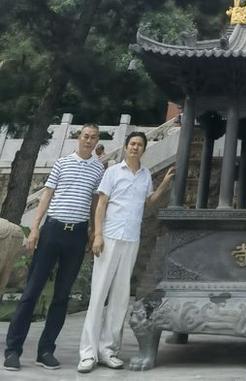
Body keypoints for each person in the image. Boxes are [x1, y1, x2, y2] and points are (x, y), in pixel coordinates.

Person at [3, 123, 104, 372]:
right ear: (78, 138)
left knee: (61, 296)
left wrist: (93, 232)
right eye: (85, 136)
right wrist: (35, 228)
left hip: (77, 234)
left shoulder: (98, 169)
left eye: (93, 138)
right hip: (52, 231)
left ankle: (46, 350)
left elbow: (94, 204)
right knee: (31, 292)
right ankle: (13, 350)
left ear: (96, 141)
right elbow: (47, 195)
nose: (88, 141)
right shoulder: (62, 163)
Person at [77, 132, 175, 373]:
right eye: (132, 144)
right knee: (99, 294)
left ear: (144, 150)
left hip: (131, 239)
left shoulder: (144, 176)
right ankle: (88, 353)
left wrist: (163, 186)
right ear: (125, 147)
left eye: (139, 145)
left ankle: (108, 349)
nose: (135, 148)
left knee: (121, 298)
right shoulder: (112, 172)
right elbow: (101, 204)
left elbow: (147, 203)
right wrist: (97, 234)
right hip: (109, 237)